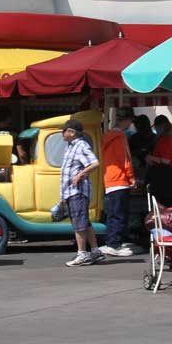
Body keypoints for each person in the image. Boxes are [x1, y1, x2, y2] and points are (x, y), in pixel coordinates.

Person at [59, 119, 104, 267]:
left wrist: (80, 174)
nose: (62, 133)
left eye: (64, 130)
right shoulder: (70, 146)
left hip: (77, 191)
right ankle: (95, 251)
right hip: (71, 192)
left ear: (71, 132)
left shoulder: (81, 145)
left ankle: (82, 253)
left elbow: (95, 163)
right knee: (84, 222)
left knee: (79, 223)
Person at [100, 107, 136, 257]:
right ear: (126, 120)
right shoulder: (120, 137)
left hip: (109, 178)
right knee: (120, 214)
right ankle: (114, 244)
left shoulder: (107, 136)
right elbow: (125, 159)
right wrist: (131, 178)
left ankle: (112, 241)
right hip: (120, 179)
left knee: (113, 214)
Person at [127, 114, 156, 182]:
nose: (136, 127)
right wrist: (139, 151)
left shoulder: (155, 139)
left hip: (152, 172)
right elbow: (128, 153)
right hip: (137, 173)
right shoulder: (134, 138)